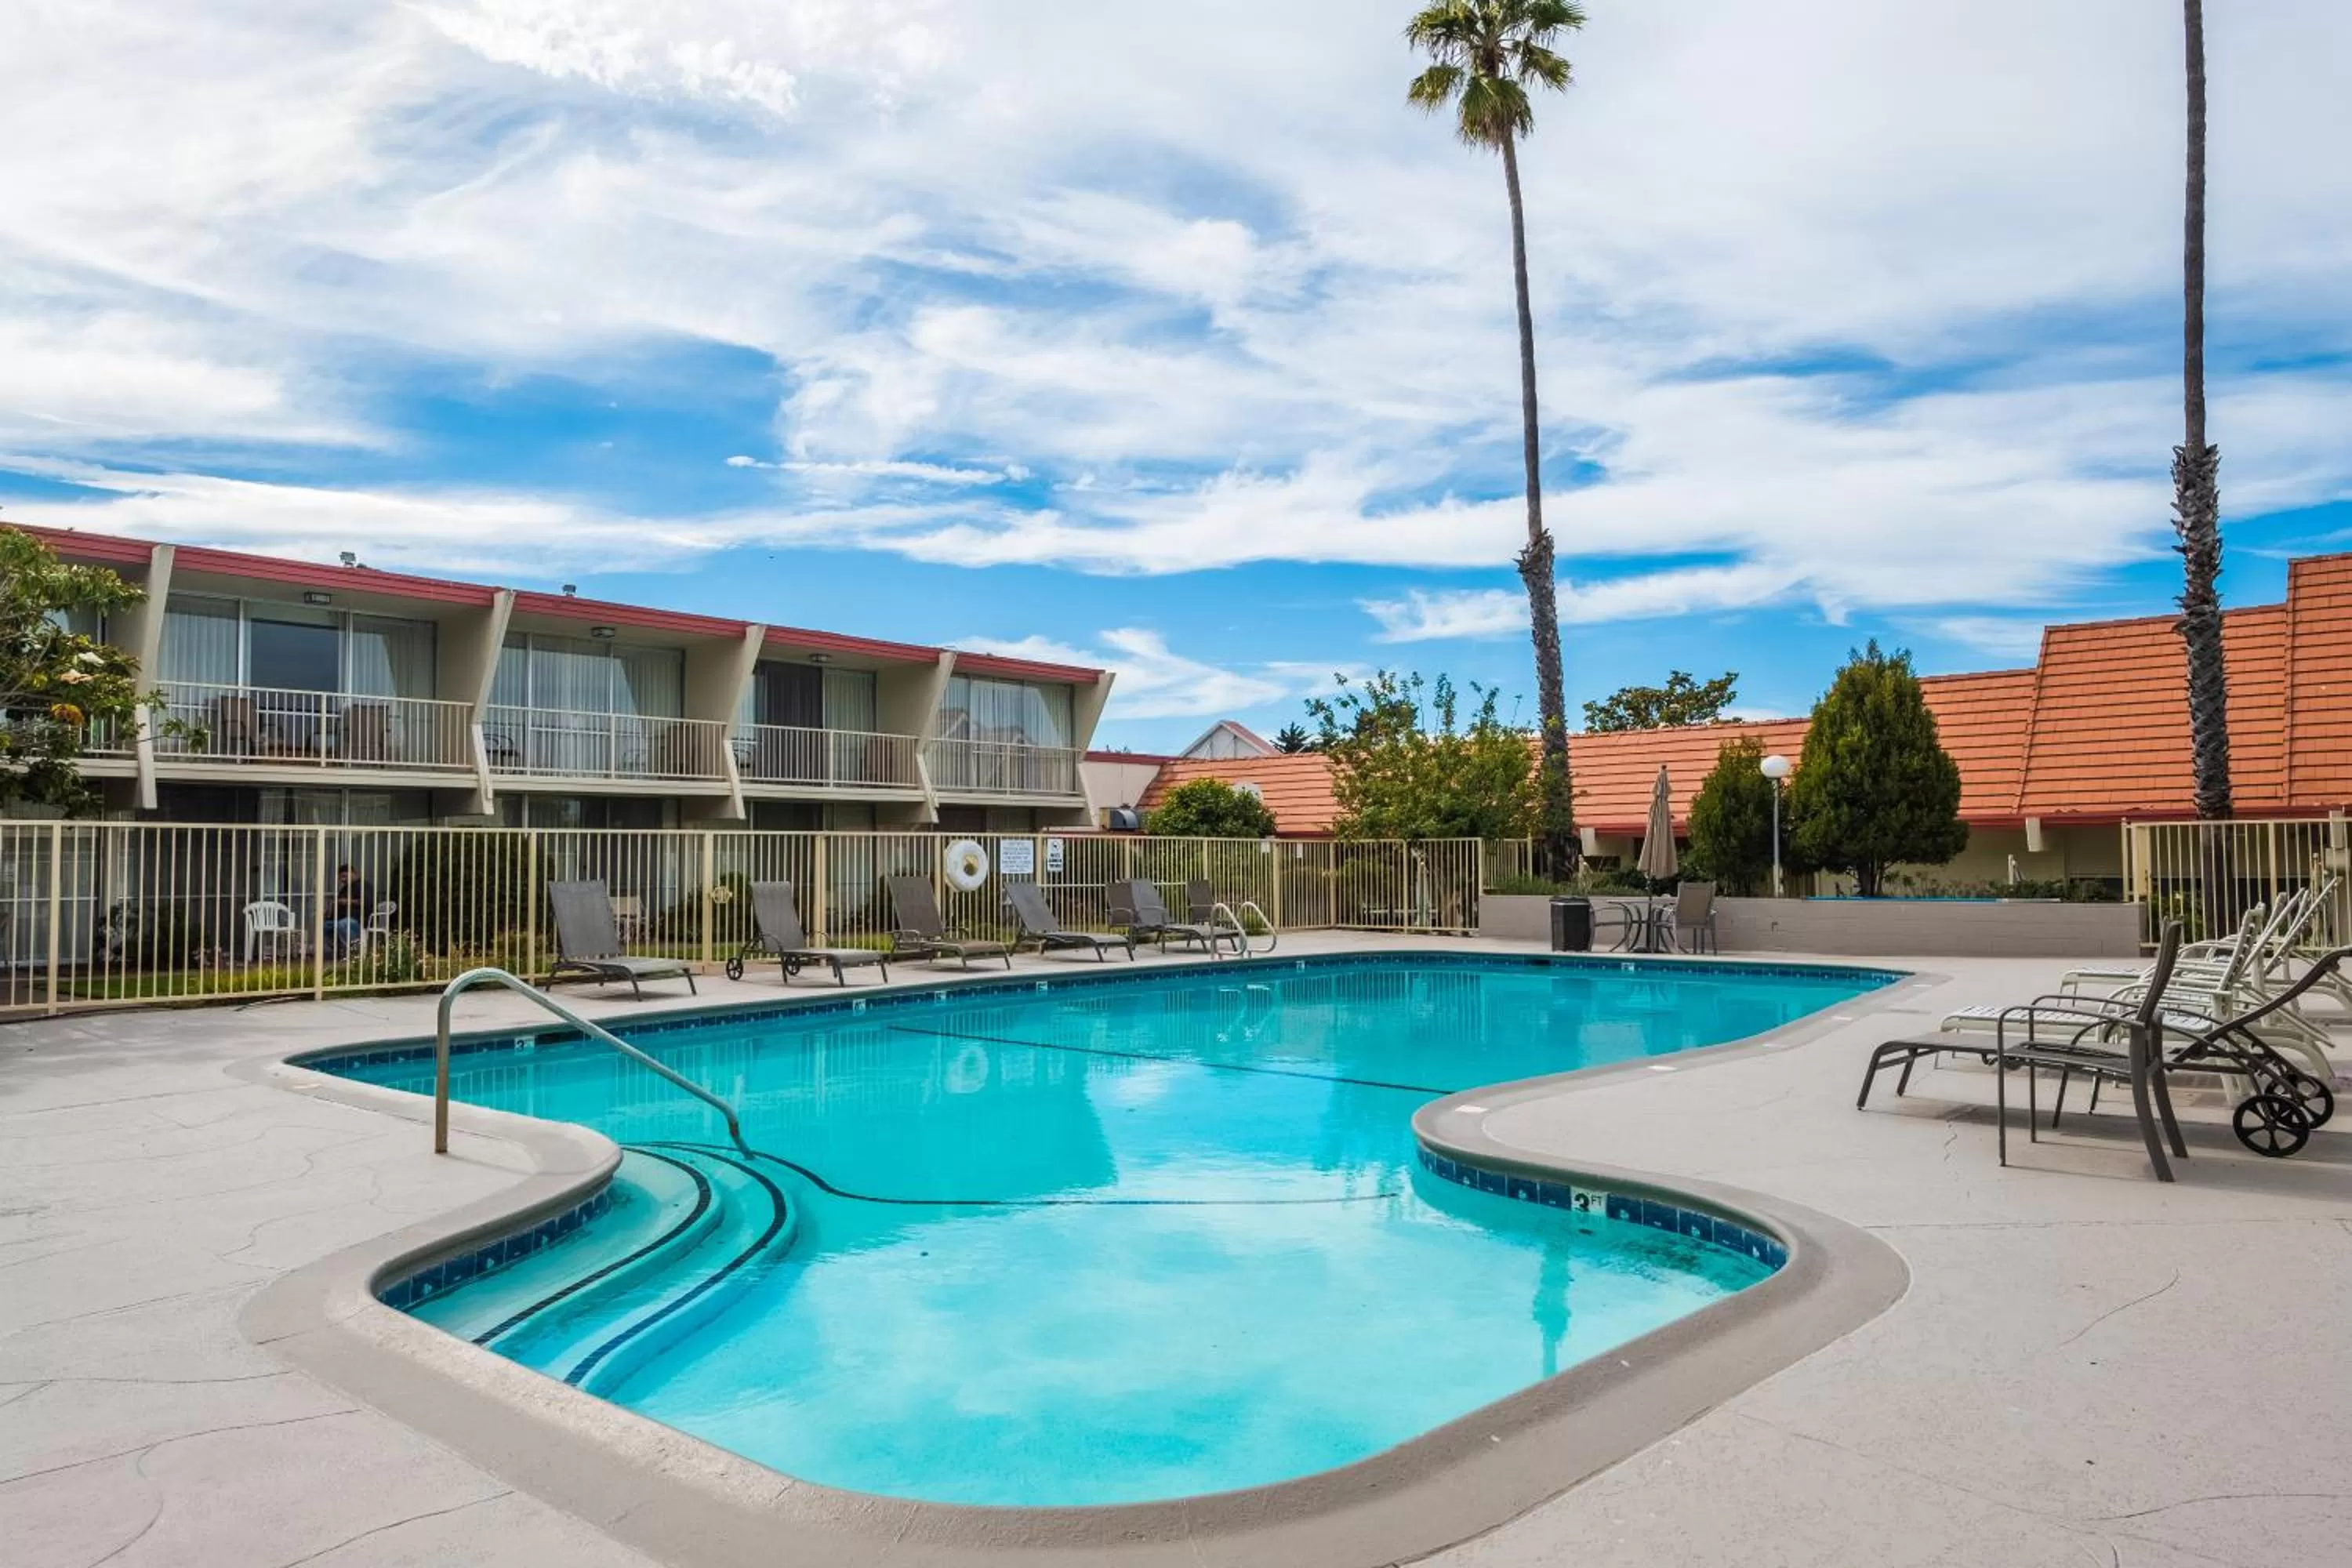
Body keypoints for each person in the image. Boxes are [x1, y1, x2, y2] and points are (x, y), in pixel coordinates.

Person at [328, 864, 376, 953]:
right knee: (325, 926)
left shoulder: (364, 886)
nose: (343, 880)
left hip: (361, 920)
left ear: (354, 873)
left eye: (344, 876)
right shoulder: (345, 888)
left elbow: (366, 902)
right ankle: (337, 950)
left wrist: (347, 901)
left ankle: (354, 949)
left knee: (342, 924)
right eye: (340, 878)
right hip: (344, 919)